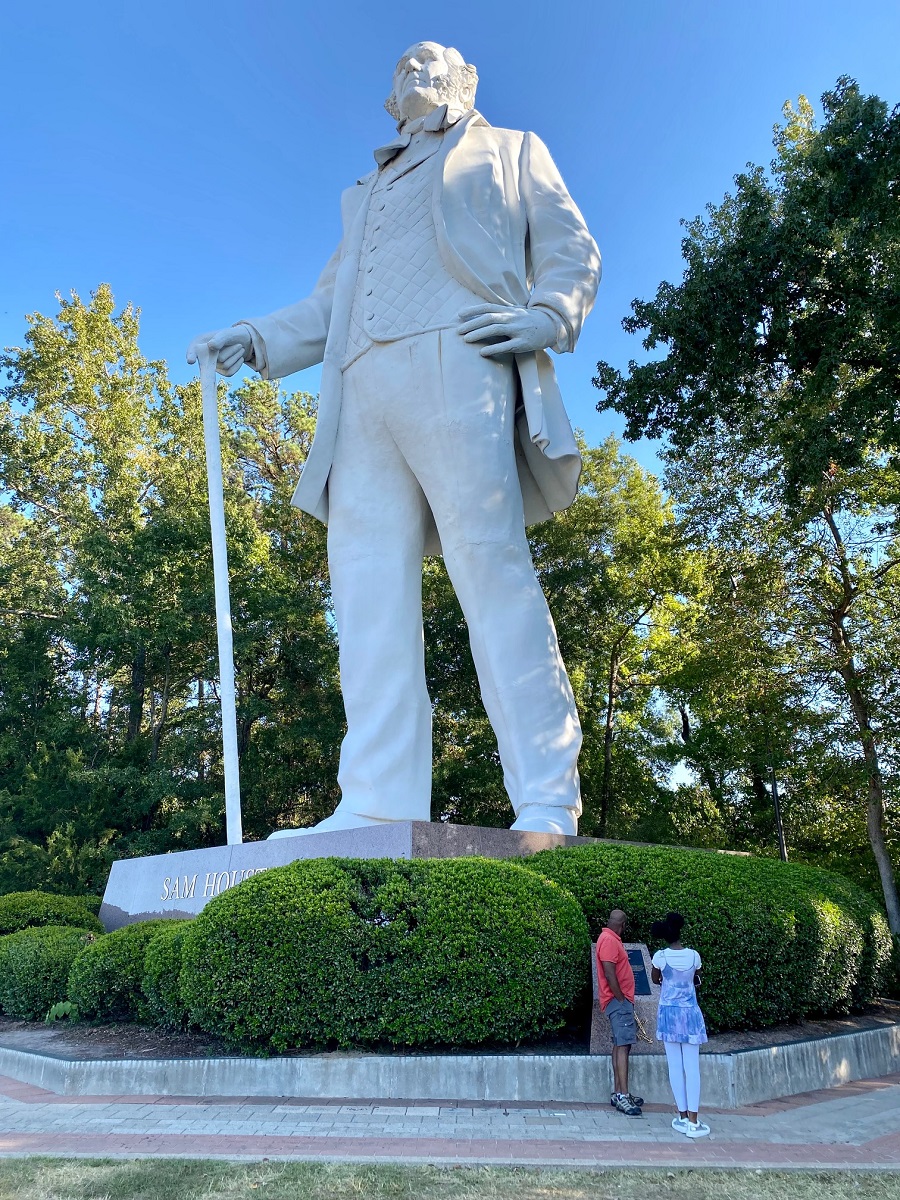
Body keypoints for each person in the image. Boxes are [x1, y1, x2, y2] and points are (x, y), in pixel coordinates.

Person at [187, 42, 600, 840]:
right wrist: (252, 335)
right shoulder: (367, 191)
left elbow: (571, 246)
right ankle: (376, 797)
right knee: (368, 595)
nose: (414, 72)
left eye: (430, 62)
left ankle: (547, 800)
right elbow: (330, 303)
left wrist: (550, 314)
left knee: (493, 571)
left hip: (464, 359)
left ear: (463, 80)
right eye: (402, 67)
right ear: (388, 97)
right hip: (361, 387)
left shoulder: (512, 150)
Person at [650, 912, 710, 1138]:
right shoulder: (694, 956)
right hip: (691, 1014)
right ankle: (694, 1121)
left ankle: (682, 1115)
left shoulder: (660, 957)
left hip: (668, 1015)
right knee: (692, 1067)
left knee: (675, 1067)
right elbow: (697, 975)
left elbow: (656, 979)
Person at [596, 908, 644, 1116]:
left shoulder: (610, 939)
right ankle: (623, 1096)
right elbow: (609, 972)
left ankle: (619, 1092)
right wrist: (621, 998)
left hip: (619, 1001)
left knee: (620, 1044)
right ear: (623, 925)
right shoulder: (608, 940)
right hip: (618, 1002)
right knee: (623, 1046)